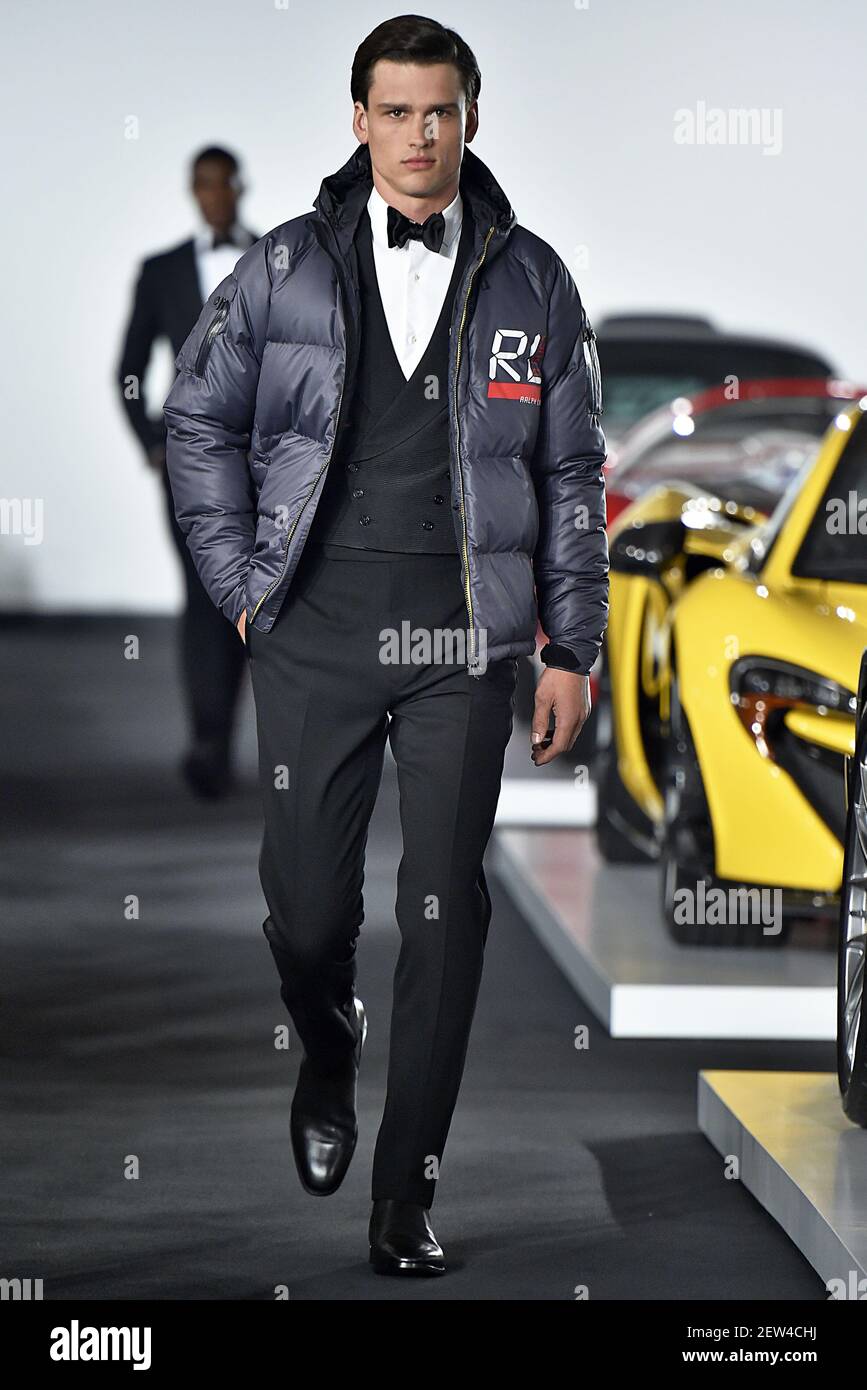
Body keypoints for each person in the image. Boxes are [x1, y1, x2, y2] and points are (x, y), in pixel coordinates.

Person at [164, 14, 608, 1276]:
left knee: (444, 912)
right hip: (313, 623)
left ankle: (405, 1192)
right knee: (307, 913)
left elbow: (574, 471)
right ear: (356, 119)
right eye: (396, 111)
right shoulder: (285, 265)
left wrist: (571, 642)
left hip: (466, 635)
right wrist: (240, 583)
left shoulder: (536, 280)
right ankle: (326, 1042)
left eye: (442, 111)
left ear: (473, 116)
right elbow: (198, 415)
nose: (420, 136)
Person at [117, 146, 259, 797]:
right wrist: (150, 440)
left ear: (239, 188)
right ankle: (209, 743)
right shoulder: (162, 271)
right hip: (190, 462)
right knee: (205, 598)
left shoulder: (275, 260)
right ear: (191, 192)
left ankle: (277, 748)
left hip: (266, 463)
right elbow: (126, 369)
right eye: (202, 186)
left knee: (264, 598)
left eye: (221, 184)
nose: (213, 196)